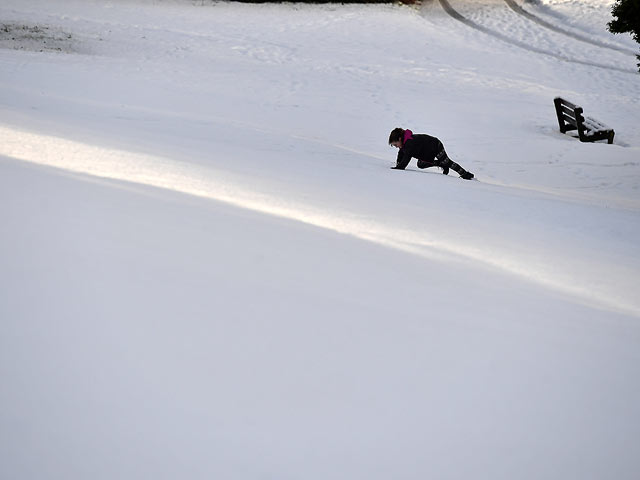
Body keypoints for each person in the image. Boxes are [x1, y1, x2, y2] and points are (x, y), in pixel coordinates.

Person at [388, 128, 474, 180]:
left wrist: (399, 167)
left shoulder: (409, 143)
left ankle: (465, 174)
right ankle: (442, 164)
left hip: (436, 145)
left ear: (399, 139)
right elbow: (401, 154)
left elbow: (406, 158)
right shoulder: (404, 144)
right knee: (421, 164)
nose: (396, 146)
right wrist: (398, 164)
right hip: (427, 150)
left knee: (447, 162)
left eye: (395, 144)